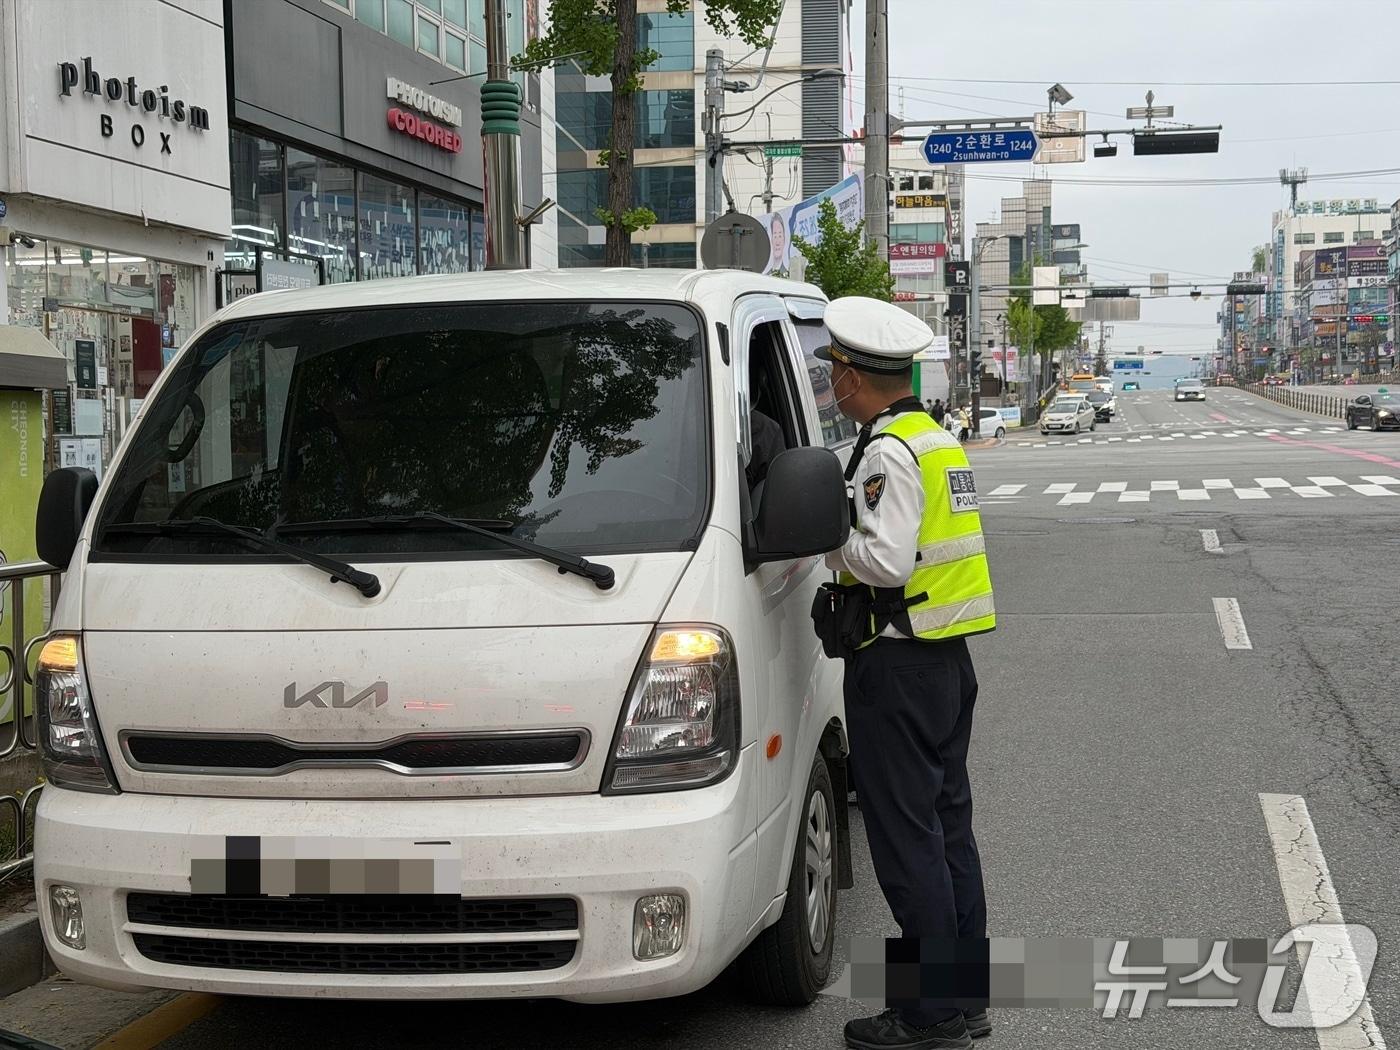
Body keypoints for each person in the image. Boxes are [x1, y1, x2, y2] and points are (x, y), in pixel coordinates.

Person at [816, 297, 996, 1050]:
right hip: (947, 661)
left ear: (855, 376)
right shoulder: (935, 440)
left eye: (833, 370)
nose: (831, 384)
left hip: (896, 662)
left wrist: (830, 543)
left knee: (905, 838)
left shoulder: (887, 450)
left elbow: (885, 560)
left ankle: (926, 1014)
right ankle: (965, 999)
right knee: (949, 829)